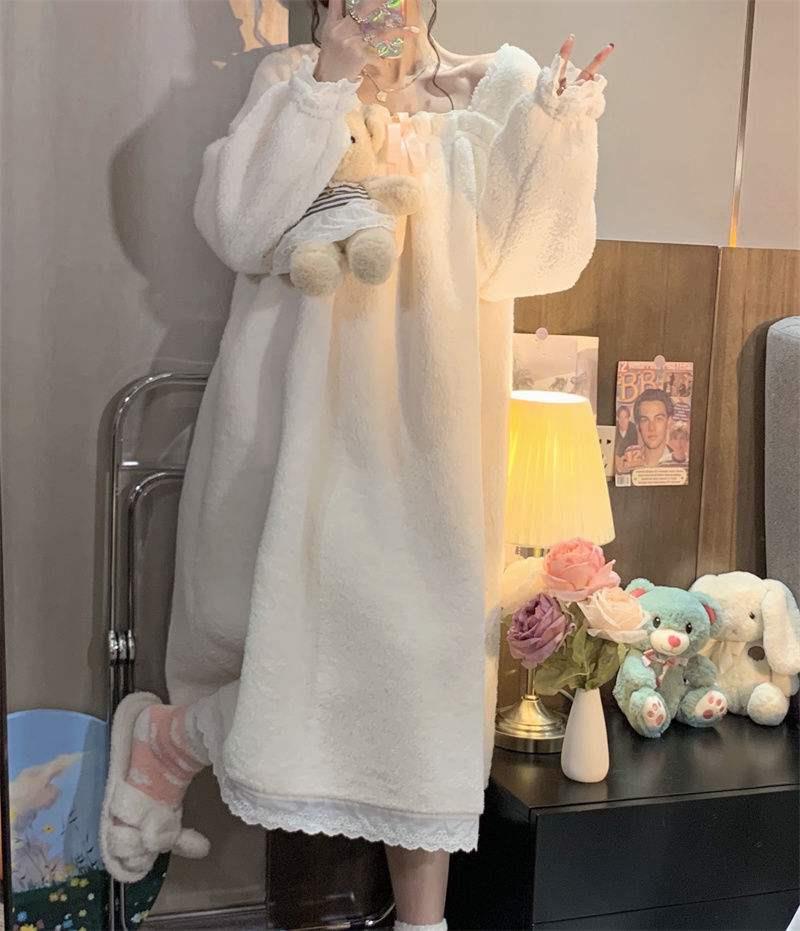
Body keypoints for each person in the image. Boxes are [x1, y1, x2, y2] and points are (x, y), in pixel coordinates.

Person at [99, 3, 613, 927]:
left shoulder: (485, 100)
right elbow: (240, 226)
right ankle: (174, 740)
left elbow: (533, 258)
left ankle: (412, 911)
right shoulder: (295, 83)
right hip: (299, 434)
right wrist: (326, 84)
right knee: (291, 646)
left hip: (431, 448)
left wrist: (555, 122)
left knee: (427, 681)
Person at [633, 388, 675, 467]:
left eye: (659, 419)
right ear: (638, 425)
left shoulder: (681, 465)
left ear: (669, 422)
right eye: (645, 420)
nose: (651, 428)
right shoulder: (629, 464)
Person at [614, 404, 639, 474]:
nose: (623, 421)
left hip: (629, 459)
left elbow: (634, 448)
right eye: (620, 417)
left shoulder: (633, 428)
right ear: (618, 418)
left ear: (628, 418)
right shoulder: (615, 428)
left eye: (625, 417)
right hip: (616, 460)